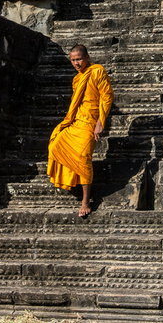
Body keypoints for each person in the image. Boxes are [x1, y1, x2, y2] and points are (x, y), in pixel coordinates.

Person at [47, 44, 114, 217]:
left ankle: (86, 200)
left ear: (87, 57)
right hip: (77, 121)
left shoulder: (97, 71)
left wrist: (101, 121)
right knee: (55, 144)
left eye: (79, 59)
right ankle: (73, 180)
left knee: (83, 157)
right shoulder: (77, 79)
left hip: (91, 122)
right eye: (73, 60)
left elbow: (106, 97)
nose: (76, 63)